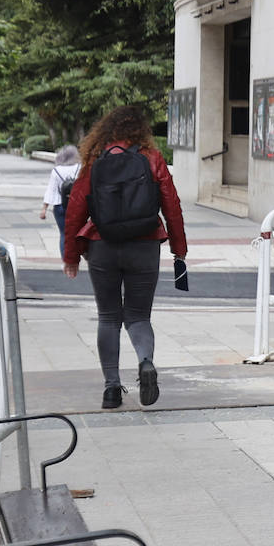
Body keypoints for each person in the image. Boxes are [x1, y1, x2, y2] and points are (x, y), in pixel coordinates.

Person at [62, 106, 187, 410]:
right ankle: (145, 361)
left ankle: (111, 390)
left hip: (102, 244)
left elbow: (76, 207)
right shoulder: (151, 158)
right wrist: (178, 249)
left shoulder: (94, 160)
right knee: (138, 316)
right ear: (140, 129)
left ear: (104, 130)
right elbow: (171, 203)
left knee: (108, 317)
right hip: (144, 244)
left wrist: (72, 255)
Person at [40, 145, 81, 256]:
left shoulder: (56, 171)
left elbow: (51, 190)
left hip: (59, 206)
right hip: (76, 205)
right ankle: (76, 256)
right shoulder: (79, 168)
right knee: (77, 232)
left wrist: (44, 209)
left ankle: (66, 260)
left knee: (64, 233)